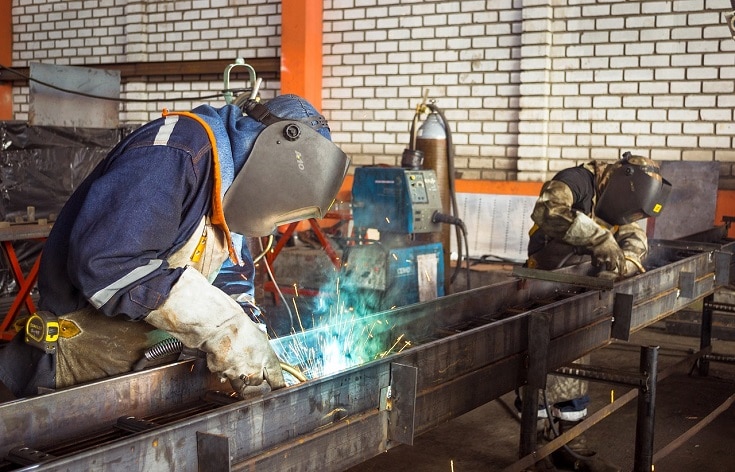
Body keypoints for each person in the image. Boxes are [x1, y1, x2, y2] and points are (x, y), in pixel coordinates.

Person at [0, 93, 349, 400]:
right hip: (77, 369)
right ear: (276, 148)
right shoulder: (176, 151)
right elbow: (107, 264)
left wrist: (248, 328)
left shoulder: (230, 190)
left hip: (145, 371)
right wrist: (221, 326)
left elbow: (231, 274)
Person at [523, 152, 671, 472]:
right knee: (541, 363)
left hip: (582, 287)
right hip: (543, 284)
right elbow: (545, 211)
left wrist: (625, 263)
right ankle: (533, 442)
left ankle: (570, 436)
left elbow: (634, 237)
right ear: (621, 180)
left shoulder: (621, 201)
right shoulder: (576, 181)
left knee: (578, 352)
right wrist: (599, 237)